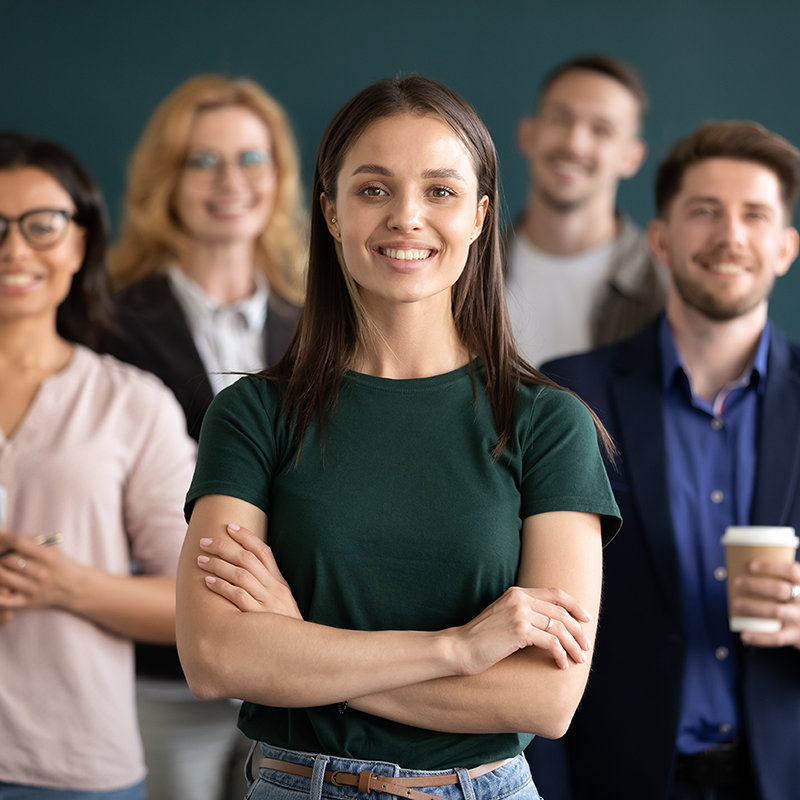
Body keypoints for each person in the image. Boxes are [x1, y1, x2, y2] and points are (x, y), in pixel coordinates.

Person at [175, 75, 621, 800]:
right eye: (374, 189)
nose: (406, 217)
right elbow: (216, 658)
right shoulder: (252, 413)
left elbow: (544, 700)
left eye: (440, 192)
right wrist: (456, 649)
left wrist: (302, 656)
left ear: (479, 216)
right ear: (330, 211)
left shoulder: (548, 423)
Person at [538, 122, 800, 800]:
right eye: (705, 211)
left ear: (785, 248)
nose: (731, 235)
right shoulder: (569, 395)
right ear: (660, 239)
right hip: (615, 781)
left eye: (756, 215)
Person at [107, 75, 307, 800]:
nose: (232, 181)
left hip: (298, 664)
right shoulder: (105, 321)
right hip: (163, 672)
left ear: (279, 176)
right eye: (204, 161)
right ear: (169, 178)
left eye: (251, 159)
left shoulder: (322, 321)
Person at [0, 132, 195, 798]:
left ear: (80, 243)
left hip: (73, 764)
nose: (15, 249)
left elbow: (190, 602)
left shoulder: (132, 403)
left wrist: (64, 585)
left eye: (43, 225)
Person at [505, 54, 667, 366]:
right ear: (528, 134)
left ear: (632, 157)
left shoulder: (666, 293)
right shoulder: (464, 273)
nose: (575, 144)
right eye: (560, 119)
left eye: (602, 130)